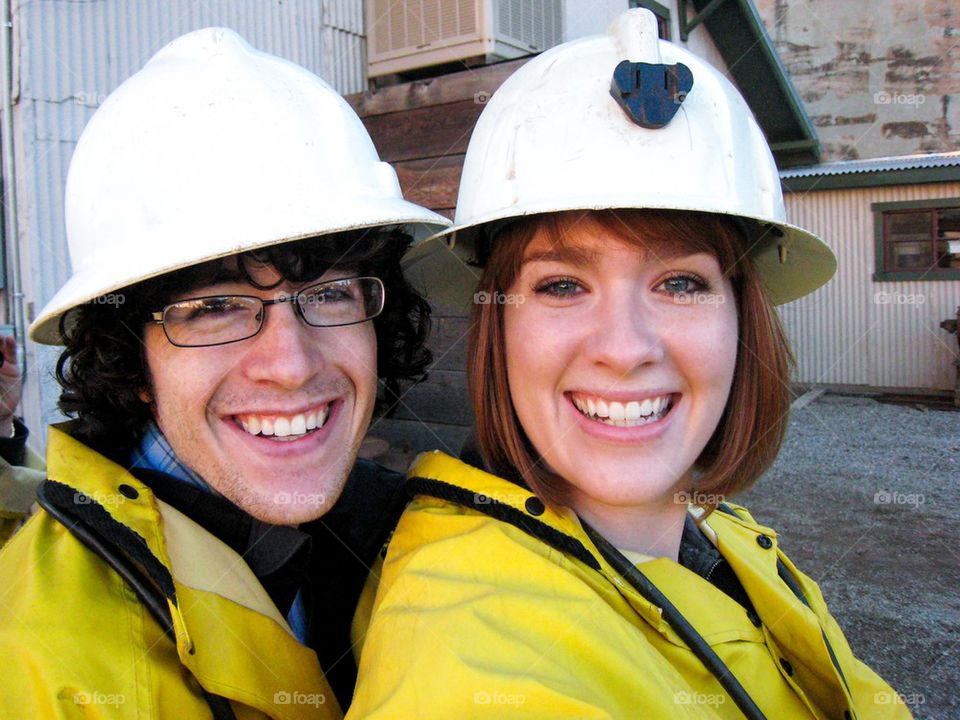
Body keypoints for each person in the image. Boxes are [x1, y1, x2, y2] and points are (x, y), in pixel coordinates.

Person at [349, 9, 911, 719]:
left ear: (745, 320)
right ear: (497, 326)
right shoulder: (468, 654)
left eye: (680, 283)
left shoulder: (723, 535)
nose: (624, 347)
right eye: (561, 284)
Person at [0, 27, 448, 719]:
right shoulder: (48, 663)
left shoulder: (412, 535)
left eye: (328, 293)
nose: (290, 366)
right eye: (214, 307)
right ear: (131, 359)